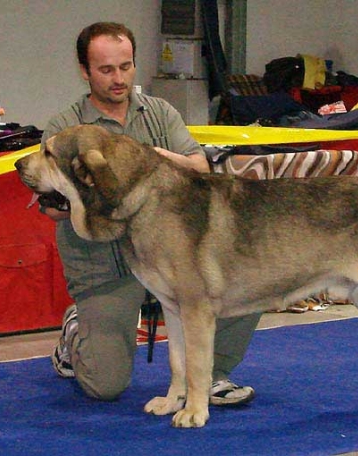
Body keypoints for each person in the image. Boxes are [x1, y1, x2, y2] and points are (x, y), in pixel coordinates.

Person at [40, 22, 260, 406]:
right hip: (106, 268)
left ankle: (210, 374)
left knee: (247, 282)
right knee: (105, 386)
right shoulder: (64, 129)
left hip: (171, 257)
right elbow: (53, 211)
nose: (119, 78)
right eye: (106, 70)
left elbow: (199, 169)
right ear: (84, 70)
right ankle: (75, 334)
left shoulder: (160, 113)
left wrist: (152, 160)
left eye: (126, 66)